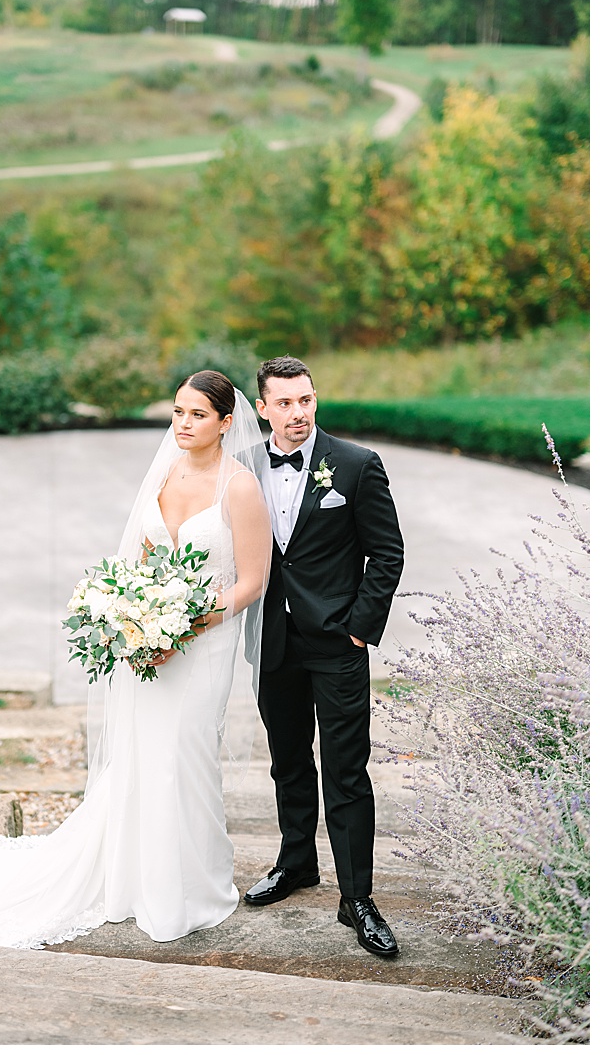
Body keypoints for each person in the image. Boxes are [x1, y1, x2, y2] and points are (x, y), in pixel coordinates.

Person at [0, 371, 272, 960]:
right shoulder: (163, 471)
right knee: (141, 759)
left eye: (195, 415)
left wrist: (189, 623)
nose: (182, 424)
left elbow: (252, 581)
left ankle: (188, 888)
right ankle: (131, 882)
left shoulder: (238, 488)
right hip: (149, 644)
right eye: (177, 411)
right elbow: (138, 560)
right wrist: (132, 616)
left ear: (224, 422)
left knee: (185, 758)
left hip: (203, 647)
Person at [243, 355, 405, 959]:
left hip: (337, 645)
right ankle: (296, 864)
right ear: (263, 408)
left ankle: (358, 899)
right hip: (274, 643)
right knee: (287, 760)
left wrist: (359, 630)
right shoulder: (242, 468)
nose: (297, 413)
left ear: (315, 399)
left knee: (345, 769)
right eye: (283, 403)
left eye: (305, 400)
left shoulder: (359, 466)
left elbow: (387, 553)